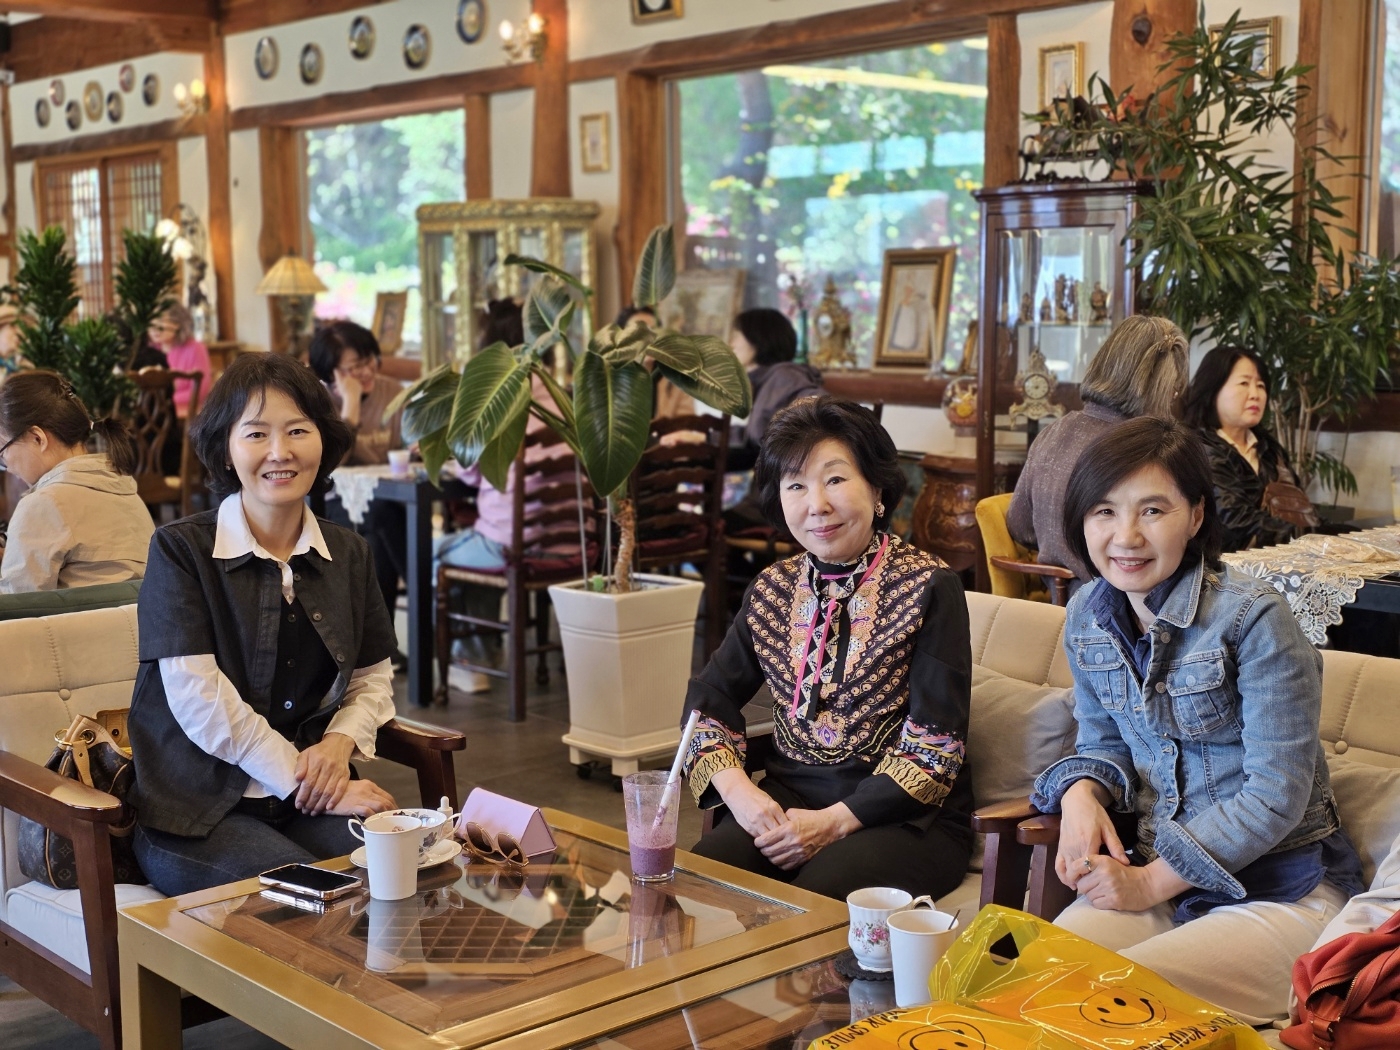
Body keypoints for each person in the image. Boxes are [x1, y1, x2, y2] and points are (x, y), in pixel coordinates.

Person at [1029, 415, 1363, 1026]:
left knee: (1108, 1007)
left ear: (1196, 515)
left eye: (1152, 510)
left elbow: (1275, 794)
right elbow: (1103, 740)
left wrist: (1148, 885)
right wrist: (1080, 793)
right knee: (1034, 983)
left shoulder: (1254, 619)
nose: (1126, 535)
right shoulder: (1087, 614)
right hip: (1156, 873)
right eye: (1104, 511)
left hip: (1279, 885)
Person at [682, 395, 974, 902]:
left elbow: (936, 748)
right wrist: (741, 794)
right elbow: (709, 701)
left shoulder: (929, 586)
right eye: (796, 485)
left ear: (877, 487)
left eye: (835, 479)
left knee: (813, 903)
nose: (816, 504)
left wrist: (832, 824)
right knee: (697, 883)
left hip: (905, 818)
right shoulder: (772, 587)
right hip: (789, 799)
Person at [128, 352, 399, 897]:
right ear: (226, 450)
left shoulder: (348, 552)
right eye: (256, 434)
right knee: (314, 897)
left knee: (401, 868)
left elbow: (371, 678)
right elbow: (201, 701)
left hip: (309, 797)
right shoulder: (180, 550)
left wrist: (338, 746)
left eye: (297, 430)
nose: (280, 452)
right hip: (196, 814)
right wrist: (302, 778)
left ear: (323, 441)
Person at [1007, 315, 1189, 583]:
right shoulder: (1140, 449)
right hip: (1114, 595)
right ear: (1157, 387)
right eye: (1172, 389)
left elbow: (1020, 526)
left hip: (1061, 590)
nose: (1173, 398)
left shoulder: (1054, 430)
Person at [0, 370, 153, 592]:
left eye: (2, 451)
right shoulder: (126, 492)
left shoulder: (44, 504)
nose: (8, 467)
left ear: (37, 438)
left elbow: (17, 603)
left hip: (79, 616)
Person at [308, 321, 409, 633]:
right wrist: (350, 409)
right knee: (378, 519)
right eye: (354, 367)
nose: (366, 372)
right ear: (331, 373)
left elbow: (408, 448)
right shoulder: (319, 402)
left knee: (379, 526)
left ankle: (379, 642)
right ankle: (421, 587)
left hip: (393, 499)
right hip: (335, 501)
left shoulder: (393, 392)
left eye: (369, 361)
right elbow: (332, 464)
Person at [1183, 345, 1305, 552]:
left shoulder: (1269, 449)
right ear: (1213, 389)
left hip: (1281, 563)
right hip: (1223, 567)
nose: (1255, 394)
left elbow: (1299, 508)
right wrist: (1308, 537)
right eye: (1244, 383)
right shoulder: (1199, 447)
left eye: (1260, 385)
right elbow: (1234, 520)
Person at [147, 303, 210, 420]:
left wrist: (163, 401)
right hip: (153, 414)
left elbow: (201, 391)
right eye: (151, 322)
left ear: (177, 324)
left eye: (160, 321)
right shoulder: (149, 351)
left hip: (186, 417)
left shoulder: (195, 349)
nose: (154, 328)